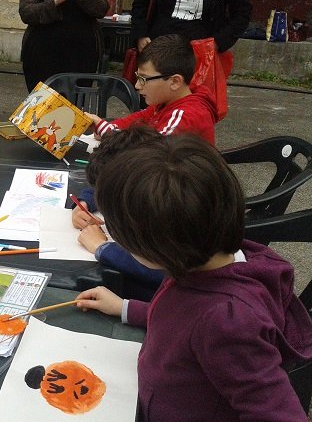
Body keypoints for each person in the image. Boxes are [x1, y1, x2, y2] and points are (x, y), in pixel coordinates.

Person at [76, 134, 312, 421]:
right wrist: (125, 307)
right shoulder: (199, 260)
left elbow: (279, 412)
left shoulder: (228, 320)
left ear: (155, 246)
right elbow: (180, 317)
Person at [73, 126, 164, 300]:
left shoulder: (172, 222)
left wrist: (102, 248)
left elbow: (164, 273)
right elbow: (106, 183)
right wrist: (83, 203)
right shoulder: (154, 175)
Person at [88, 34, 217, 144]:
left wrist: (107, 132)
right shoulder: (165, 102)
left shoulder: (186, 116)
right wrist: (106, 129)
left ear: (175, 81)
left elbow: (150, 151)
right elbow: (136, 120)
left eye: (144, 78)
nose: (137, 85)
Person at [19, 0, 109, 92]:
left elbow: (101, 10)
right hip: (41, 54)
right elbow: (26, 13)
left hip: (82, 54)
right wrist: (56, 1)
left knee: (76, 101)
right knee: (43, 101)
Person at [130, 0, 252, 54]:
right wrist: (141, 35)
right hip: (157, 52)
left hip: (199, 56)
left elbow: (242, 12)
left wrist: (217, 42)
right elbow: (141, 3)